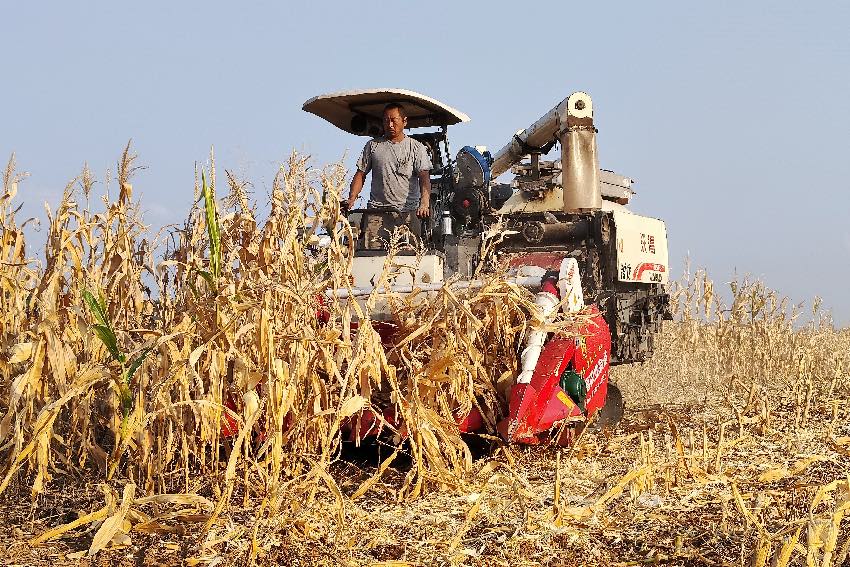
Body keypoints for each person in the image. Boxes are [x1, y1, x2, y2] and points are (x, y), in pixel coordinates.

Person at [347, 103, 432, 248]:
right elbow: (361, 174)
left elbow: (424, 178)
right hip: (376, 214)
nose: (390, 124)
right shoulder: (373, 145)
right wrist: (352, 198)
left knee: (410, 256)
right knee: (371, 256)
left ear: (404, 121)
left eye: (394, 120)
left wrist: (424, 204)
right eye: (386, 120)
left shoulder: (416, 147)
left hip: (407, 215)